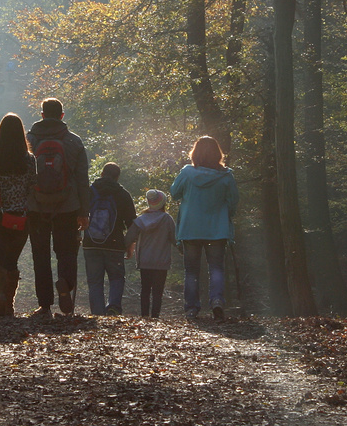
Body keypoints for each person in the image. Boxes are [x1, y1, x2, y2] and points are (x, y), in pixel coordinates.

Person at [26, 98, 90, 317]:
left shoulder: (29, 140)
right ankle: (65, 283)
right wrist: (84, 212)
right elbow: (83, 179)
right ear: (62, 116)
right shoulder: (74, 141)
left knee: (40, 254)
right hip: (68, 206)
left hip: (36, 206)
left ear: (42, 115)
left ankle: (44, 305)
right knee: (66, 252)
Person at [170, 136, 239, 321]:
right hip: (217, 229)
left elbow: (174, 193)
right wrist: (226, 215)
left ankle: (192, 308)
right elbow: (233, 202)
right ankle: (216, 300)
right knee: (216, 268)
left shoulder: (187, 173)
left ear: (196, 153)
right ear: (218, 154)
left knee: (192, 270)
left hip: (191, 228)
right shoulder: (226, 176)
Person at [0, 113, 36, 317]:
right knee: (11, 261)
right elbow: (32, 186)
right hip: (20, 218)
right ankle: (9, 303)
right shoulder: (30, 161)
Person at [82, 162, 137, 315]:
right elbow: (132, 224)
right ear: (117, 177)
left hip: (90, 243)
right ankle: (113, 307)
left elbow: (79, 215)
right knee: (116, 278)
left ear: (102, 174)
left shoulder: (89, 192)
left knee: (94, 281)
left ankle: (98, 313)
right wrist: (129, 244)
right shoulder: (123, 194)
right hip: (114, 244)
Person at [124, 189, 176, 318]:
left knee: (145, 290)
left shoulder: (140, 220)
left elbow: (129, 238)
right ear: (163, 204)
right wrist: (183, 249)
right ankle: (155, 316)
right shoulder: (167, 219)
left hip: (145, 260)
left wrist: (122, 248)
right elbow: (175, 239)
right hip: (161, 261)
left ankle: (144, 316)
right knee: (158, 291)